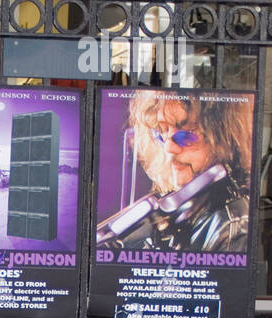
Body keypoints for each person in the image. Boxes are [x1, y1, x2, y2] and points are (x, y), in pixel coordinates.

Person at [99, 92, 251, 254]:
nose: (168, 149)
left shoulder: (233, 227)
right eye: (160, 134)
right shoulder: (184, 204)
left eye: (186, 136)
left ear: (222, 139)